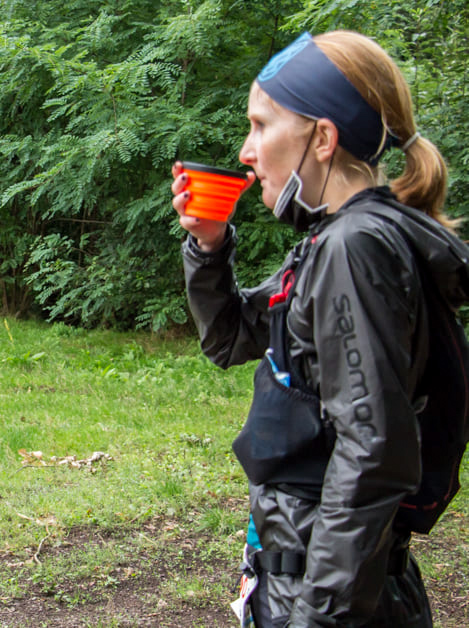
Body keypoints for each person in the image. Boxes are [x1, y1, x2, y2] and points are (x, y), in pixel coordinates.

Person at [171, 31, 469, 626]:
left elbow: (374, 450)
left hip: (329, 597)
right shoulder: (334, 240)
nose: (246, 151)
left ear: (323, 138)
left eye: (260, 126)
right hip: (315, 580)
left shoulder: (353, 248)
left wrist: (320, 616)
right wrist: (207, 246)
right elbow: (230, 337)